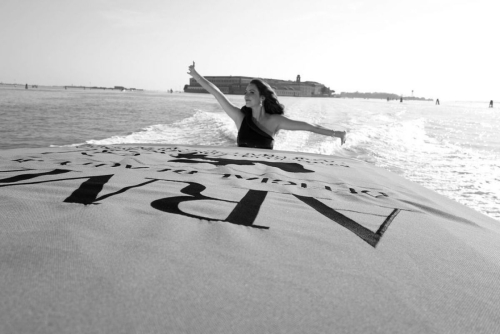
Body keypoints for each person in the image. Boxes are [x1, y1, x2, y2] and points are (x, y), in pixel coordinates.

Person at [187, 62, 346, 150]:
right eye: (246, 92)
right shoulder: (240, 117)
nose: (246, 95)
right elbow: (216, 93)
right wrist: (196, 75)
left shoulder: (275, 121)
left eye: (251, 92)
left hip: (265, 174)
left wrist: (337, 133)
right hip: (240, 173)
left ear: (262, 98)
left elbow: (309, 127)